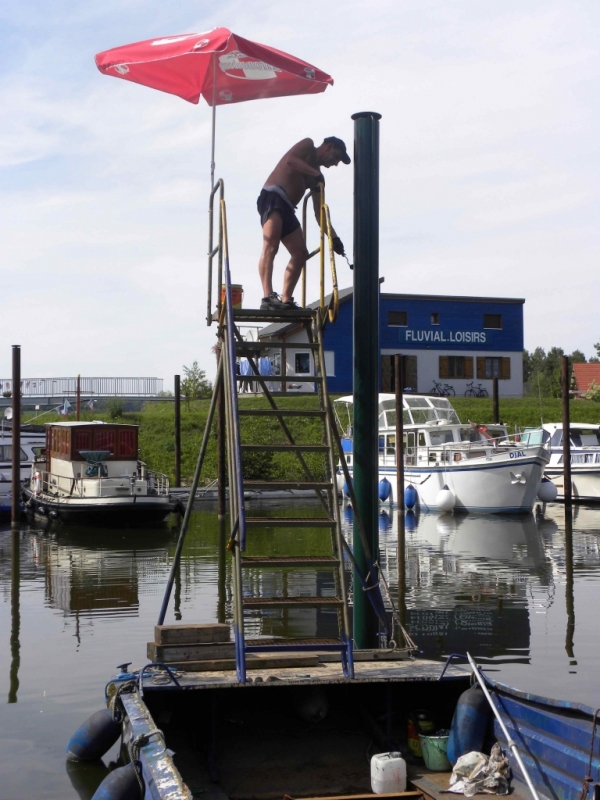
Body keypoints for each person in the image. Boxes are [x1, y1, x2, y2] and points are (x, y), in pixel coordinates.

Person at [257, 136, 350, 311]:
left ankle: (286, 300)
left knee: (300, 253)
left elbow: (318, 212)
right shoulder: (308, 145)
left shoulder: (317, 177)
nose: (335, 164)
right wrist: (315, 174)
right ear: (328, 147)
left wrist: (334, 238)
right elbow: (291, 161)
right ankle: (267, 297)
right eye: (336, 158)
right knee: (271, 244)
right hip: (273, 195)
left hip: (288, 207)